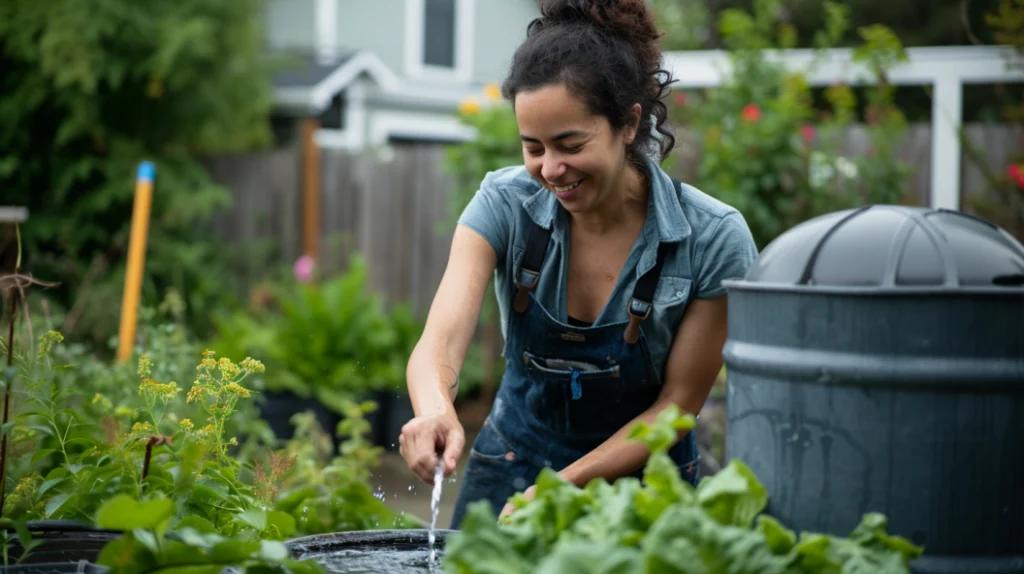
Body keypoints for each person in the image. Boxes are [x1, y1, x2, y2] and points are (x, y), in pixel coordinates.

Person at [398, 0, 758, 529]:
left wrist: (564, 487)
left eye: (570, 144)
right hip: (513, 463)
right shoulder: (503, 205)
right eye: (533, 147)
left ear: (629, 124)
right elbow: (440, 343)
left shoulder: (712, 239)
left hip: (644, 491)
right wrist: (434, 409)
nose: (550, 169)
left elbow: (678, 404)